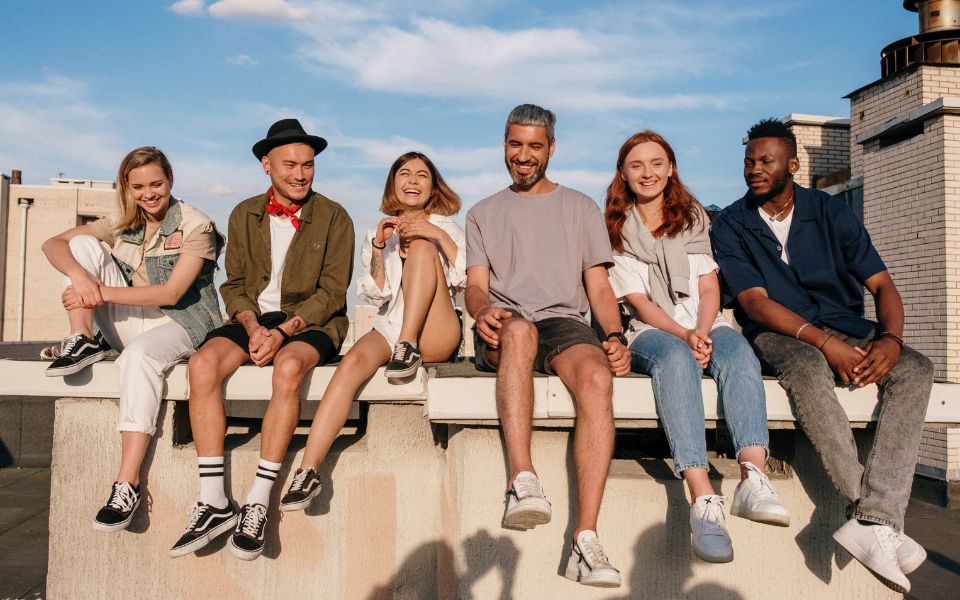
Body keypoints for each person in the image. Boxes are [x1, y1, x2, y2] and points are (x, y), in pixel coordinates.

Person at [711, 118, 932, 593]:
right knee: (809, 365)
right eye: (748, 161)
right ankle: (873, 516)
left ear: (792, 164)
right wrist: (825, 342)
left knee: (916, 367)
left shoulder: (831, 213)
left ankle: (875, 521)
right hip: (777, 332)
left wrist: (890, 340)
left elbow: (882, 285)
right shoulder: (731, 223)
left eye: (765, 161)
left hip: (846, 323)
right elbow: (753, 303)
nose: (754, 169)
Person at [168, 119, 354, 561]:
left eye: (308, 165)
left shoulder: (334, 216)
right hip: (256, 318)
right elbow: (232, 286)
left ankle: (258, 499)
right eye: (289, 164)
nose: (300, 173)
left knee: (288, 368)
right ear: (266, 165)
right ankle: (213, 500)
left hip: (312, 321)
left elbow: (332, 292)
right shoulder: (242, 213)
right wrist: (253, 328)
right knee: (202, 365)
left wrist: (284, 331)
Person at [603, 131, 790, 564]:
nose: (647, 173)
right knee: (674, 361)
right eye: (636, 165)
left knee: (739, 353)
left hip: (702, 321)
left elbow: (709, 287)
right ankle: (703, 499)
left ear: (671, 168)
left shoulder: (693, 218)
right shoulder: (616, 227)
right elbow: (639, 303)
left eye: (656, 163)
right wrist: (685, 338)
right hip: (652, 329)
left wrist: (703, 331)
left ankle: (752, 476)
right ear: (624, 174)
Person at [465, 104, 628, 588]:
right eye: (515, 145)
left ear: (551, 148)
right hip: (506, 322)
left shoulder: (580, 207)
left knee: (598, 376)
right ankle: (522, 481)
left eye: (535, 146)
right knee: (518, 330)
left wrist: (615, 335)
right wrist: (480, 312)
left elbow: (597, 287)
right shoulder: (482, 213)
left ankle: (586, 539)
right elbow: (476, 286)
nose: (524, 155)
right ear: (504, 145)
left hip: (562, 320)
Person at [41, 146, 224, 533]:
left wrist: (98, 293)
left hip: (182, 323)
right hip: (131, 317)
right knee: (80, 246)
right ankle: (81, 338)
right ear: (127, 186)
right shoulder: (124, 222)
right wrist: (83, 279)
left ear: (170, 179)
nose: (149, 193)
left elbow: (171, 294)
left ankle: (127, 483)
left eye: (156, 183)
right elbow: (51, 244)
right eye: (138, 186)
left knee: (138, 357)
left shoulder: (196, 225)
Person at [278, 151, 465, 512]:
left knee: (424, 248)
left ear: (433, 186)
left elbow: (468, 276)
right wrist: (380, 246)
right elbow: (376, 292)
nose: (412, 181)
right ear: (393, 183)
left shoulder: (446, 227)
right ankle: (309, 470)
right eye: (405, 174)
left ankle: (407, 346)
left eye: (422, 175)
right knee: (350, 366)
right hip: (390, 326)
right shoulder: (378, 233)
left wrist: (435, 234)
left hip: (435, 330)